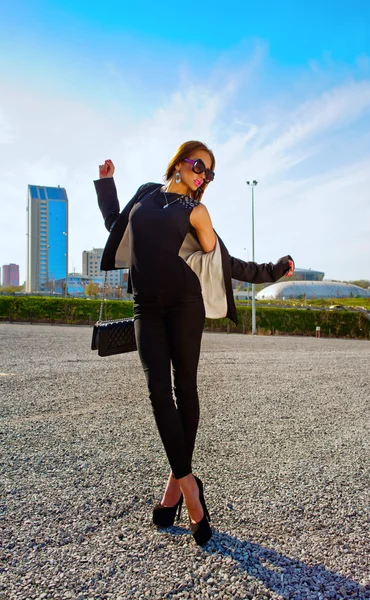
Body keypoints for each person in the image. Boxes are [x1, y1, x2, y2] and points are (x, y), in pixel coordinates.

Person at [94, 140, 294, 546]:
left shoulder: (197, 212)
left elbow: (225, 261)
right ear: (180, 162)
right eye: (199, 165)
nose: (203, 175)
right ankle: (189, 489)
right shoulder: (147, 195)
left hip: (186, 304)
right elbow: (116, 224)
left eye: (209, 173)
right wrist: (106, 185)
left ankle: (175, 490)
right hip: (144, 308)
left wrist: (273, 271)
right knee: (157, 393)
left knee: (184, 387)